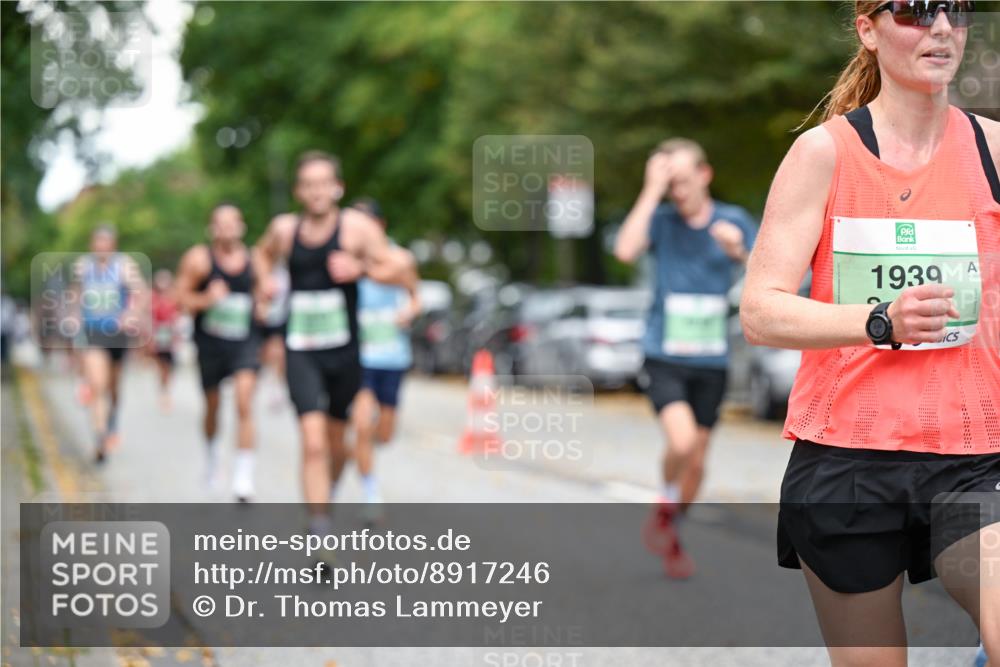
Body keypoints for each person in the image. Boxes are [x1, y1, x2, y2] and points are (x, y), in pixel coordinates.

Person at [739, 2, 999, 665]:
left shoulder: (992, 149)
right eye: (914, 10)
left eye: (956, 10)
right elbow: (762, 311)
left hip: (975, 458)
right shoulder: (824, 153)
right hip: (848, 460)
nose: (941, 27)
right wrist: (880, 319)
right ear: (867, 27)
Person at [255, 151, 417, 564]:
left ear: (337, 188)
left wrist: (360, 267)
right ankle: (320, 528)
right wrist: (264, 287)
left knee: (338, 444)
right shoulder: (285, 230)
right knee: (312, 443)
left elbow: (400, 269)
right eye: (308, 184)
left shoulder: (356, 228)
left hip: (345, 353)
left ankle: (320, 503)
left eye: (323, 182)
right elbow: (262, 256)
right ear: (298, 191)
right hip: (301, 350)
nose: (316, 191)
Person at [614, 138, 757, 578]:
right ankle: (664, 498)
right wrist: (651, 189)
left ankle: (671, 526)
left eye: (681, 180)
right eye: (668, 183)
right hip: (664, 354)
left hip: (711, 358)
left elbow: (767, 274)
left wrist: (739, 252)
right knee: (682, 443)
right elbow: (624, 250)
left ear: (704, 174)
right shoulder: (660, 220)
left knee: (698, 461)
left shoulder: (733, 220)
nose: (676, 191)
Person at [175, 203, 261, 502]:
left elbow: (264, 296)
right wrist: (207, 299)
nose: (226, 229)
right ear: (212, 229)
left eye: (232, 223)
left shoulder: (254, 260)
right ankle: (212, 454)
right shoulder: (198, 259)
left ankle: (243, 474)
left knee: (244, 402)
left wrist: (265, 299)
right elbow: (180, 298)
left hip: (244, 341)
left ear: (242, 227)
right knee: (212, 406)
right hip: (210, 343)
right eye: (220, 224)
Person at [349, 198, 421, 521]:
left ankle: (362, 453)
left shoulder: (400, 258)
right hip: (359, 357)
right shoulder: (344, 260)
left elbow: (415, 296)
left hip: (392, 355)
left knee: (385, 434)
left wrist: (409, 311)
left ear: (380, 225)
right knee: (362, 425)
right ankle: (371, 491)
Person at [70, 225, 149, 463]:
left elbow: (142, 293)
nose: (101, 246)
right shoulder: (83, 267)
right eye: (97, 241)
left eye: (106, 242)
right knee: (98, 385)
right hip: (94, 332)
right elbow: (75, 294)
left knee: (113, 389)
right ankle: (100, 436)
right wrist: (74, 317)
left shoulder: (124, 266)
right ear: (92, 243)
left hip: (118, 333)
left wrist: (130, 314)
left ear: (113, 244)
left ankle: (111, 420)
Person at [149, 269, 180, 412]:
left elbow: (178, 316)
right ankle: (164, 392)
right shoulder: (153, 298)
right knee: (161, 366)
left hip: (171, 337)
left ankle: (166, 390)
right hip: (157, 336)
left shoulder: (174, 297)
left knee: (169, 366)